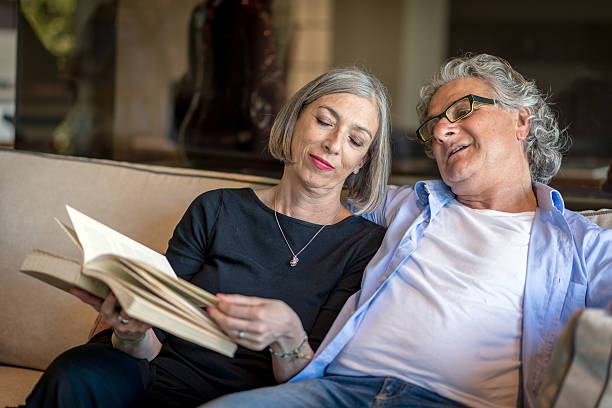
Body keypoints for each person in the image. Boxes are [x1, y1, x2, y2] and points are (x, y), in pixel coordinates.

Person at [201, 54, 612, 408]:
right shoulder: (399, 205)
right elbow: (318, 185)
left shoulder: (582, 243)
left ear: (521, 121)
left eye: (464, 109)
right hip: (334, 392)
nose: (440, 131)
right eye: (431, 126)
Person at [23, 67, 391, 408]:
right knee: (74, 375)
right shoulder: (217, 209)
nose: (333, 143)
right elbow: (153, 344)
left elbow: (314, 388)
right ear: (295, 121)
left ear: (361, 162)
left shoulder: (365, 246)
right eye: (325, 121)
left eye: (356, 140)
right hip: (154, 377)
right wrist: (132, 332)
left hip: (256, 400)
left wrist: (290, 338)